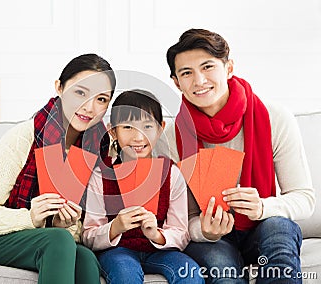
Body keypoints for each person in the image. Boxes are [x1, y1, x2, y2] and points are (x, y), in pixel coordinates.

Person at [164, 29, 315, 283]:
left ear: (229, 68)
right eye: (186, 73)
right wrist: (204, 230)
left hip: (262, 228)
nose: (199, 80)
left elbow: (305, 198)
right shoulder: (171, 136)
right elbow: (180, 219)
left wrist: (263, 207)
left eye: (208, 66)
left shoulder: (274, 118)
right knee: (224, 271)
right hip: (213, 240)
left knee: (279, 227)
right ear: (177, 82)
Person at [0, 53, 116, 284]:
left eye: (101, 99)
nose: (89, 107)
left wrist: (60, 225)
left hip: (54, 239)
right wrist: (31, 218)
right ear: (59, 87)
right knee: (58, 240)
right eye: (80, 92)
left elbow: (84, 226)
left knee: (85, 257)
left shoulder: (97, 149)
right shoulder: (24, 137)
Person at [82, 89, 204, 284]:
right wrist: (115, 227)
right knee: (125, 275)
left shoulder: (171, 173)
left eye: (147, 126)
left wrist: (156, 234)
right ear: (113, 131)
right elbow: (88, 235)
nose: (138, 137)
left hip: (160, 251)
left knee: (190, 273)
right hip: (117, 251)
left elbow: (181, 232)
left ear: (161, 128)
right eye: (128, 127)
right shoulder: (101, 175)